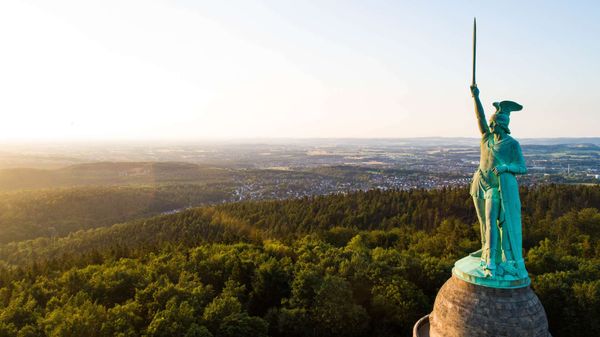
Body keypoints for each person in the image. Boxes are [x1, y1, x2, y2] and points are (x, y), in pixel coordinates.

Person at [470, 85, 528, 279]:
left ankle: (492, 262)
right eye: (491, 123)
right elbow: (479, 118)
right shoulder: (486, 138)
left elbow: (522, 167)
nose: (491, 126)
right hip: (479, 182)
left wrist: (505, 168)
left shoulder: (512, 144)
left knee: (492, 222)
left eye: (494, 123)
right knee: (483, 221)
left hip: (495, 188)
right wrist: (475, 97)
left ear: (503, 125)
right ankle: (486, 249)